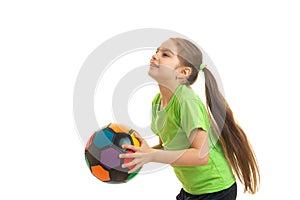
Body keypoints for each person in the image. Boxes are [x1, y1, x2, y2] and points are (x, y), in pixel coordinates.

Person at [119, 37, 260, 199]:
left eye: (165, 54)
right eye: (156, 51)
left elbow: (200, 156)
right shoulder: (157, 102)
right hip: (192, 189)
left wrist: (152, 155)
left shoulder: (186, 101)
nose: (155, 55)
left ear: (183, 72)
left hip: (215, 190)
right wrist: (145, 153)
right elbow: (171, 148)